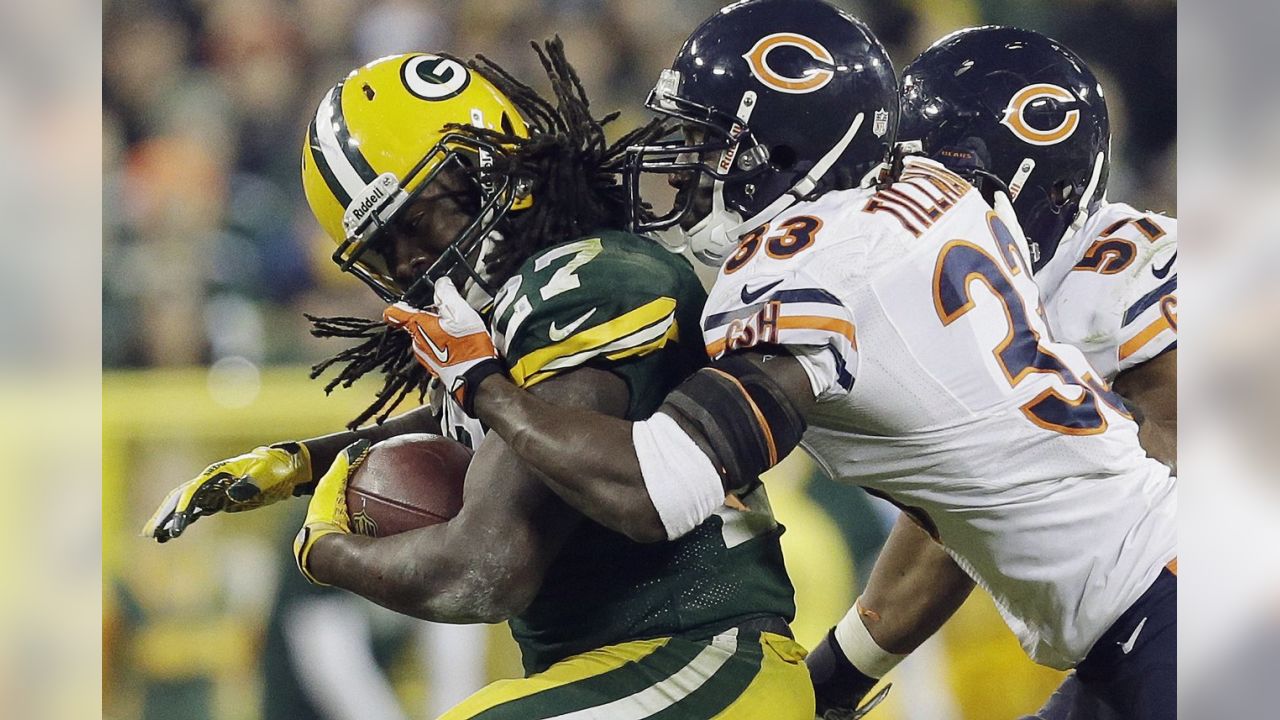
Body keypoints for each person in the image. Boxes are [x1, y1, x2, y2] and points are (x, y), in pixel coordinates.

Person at [388, 3, 1176, 720]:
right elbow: (956, 512)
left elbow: (656, 489)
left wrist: (484, 381)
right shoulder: (915, 210)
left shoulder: (820, 267)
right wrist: (836, 677)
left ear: (790, 147)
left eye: (706, 145)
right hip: (1146, 615)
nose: (683, 169)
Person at [145, 43, 813, 720]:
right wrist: (303, 463)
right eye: (383, 251)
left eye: (413, 221)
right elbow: (477, 423)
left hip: (698, 658)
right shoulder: (515, 315)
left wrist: (324, 554)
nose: (410, 260)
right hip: (628, 672)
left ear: (489, 168)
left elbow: (486, 569)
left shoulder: (588, 280)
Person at [802, 26, 1178, 720]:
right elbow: (978, 496)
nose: (918, 206)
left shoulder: (1122, 275)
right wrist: (837, 676)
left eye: (943, 183)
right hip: (1136, 636)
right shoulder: (990, 299)